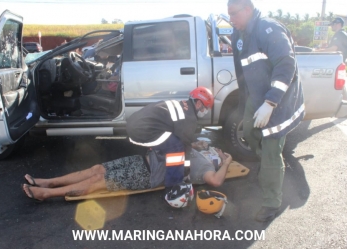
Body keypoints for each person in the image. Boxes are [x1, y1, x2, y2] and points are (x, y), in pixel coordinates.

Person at [227, 0, 305, 222]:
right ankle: (271, 167)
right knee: (250, 131)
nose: (231, 19)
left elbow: (285, 64)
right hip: (256, 97)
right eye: (229, 15)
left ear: (248, 10)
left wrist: (270, 104)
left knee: (271, 147)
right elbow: (242, 70)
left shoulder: (268, 28)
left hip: (278, 98)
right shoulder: (238, 34)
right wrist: (247, 102)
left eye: (234, 14)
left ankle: (272, 202)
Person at [22, 145, 232, 202]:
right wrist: (196, 144)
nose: (217, 151)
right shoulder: (198, 149)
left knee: (97, 180)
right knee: (96, 169)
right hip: (142, 160)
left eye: (219, 153)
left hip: (148, 175)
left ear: (217, 160)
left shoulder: (206, 167)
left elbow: (215, 181)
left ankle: (46, 194)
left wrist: (227, 161)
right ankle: (48, 182)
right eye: (218, 150)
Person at [126, 87, 214, 189]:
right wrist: (185, 171)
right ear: (198, 103)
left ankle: (157, 159)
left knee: (171, 139)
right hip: (142, 131)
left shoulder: (182, 104)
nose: (205, 111)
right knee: (177, 147)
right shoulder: (190, 118)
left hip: (133, 124)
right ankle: (174, 185)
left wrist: (193, 145)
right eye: (206, 108)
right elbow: (185, 147)